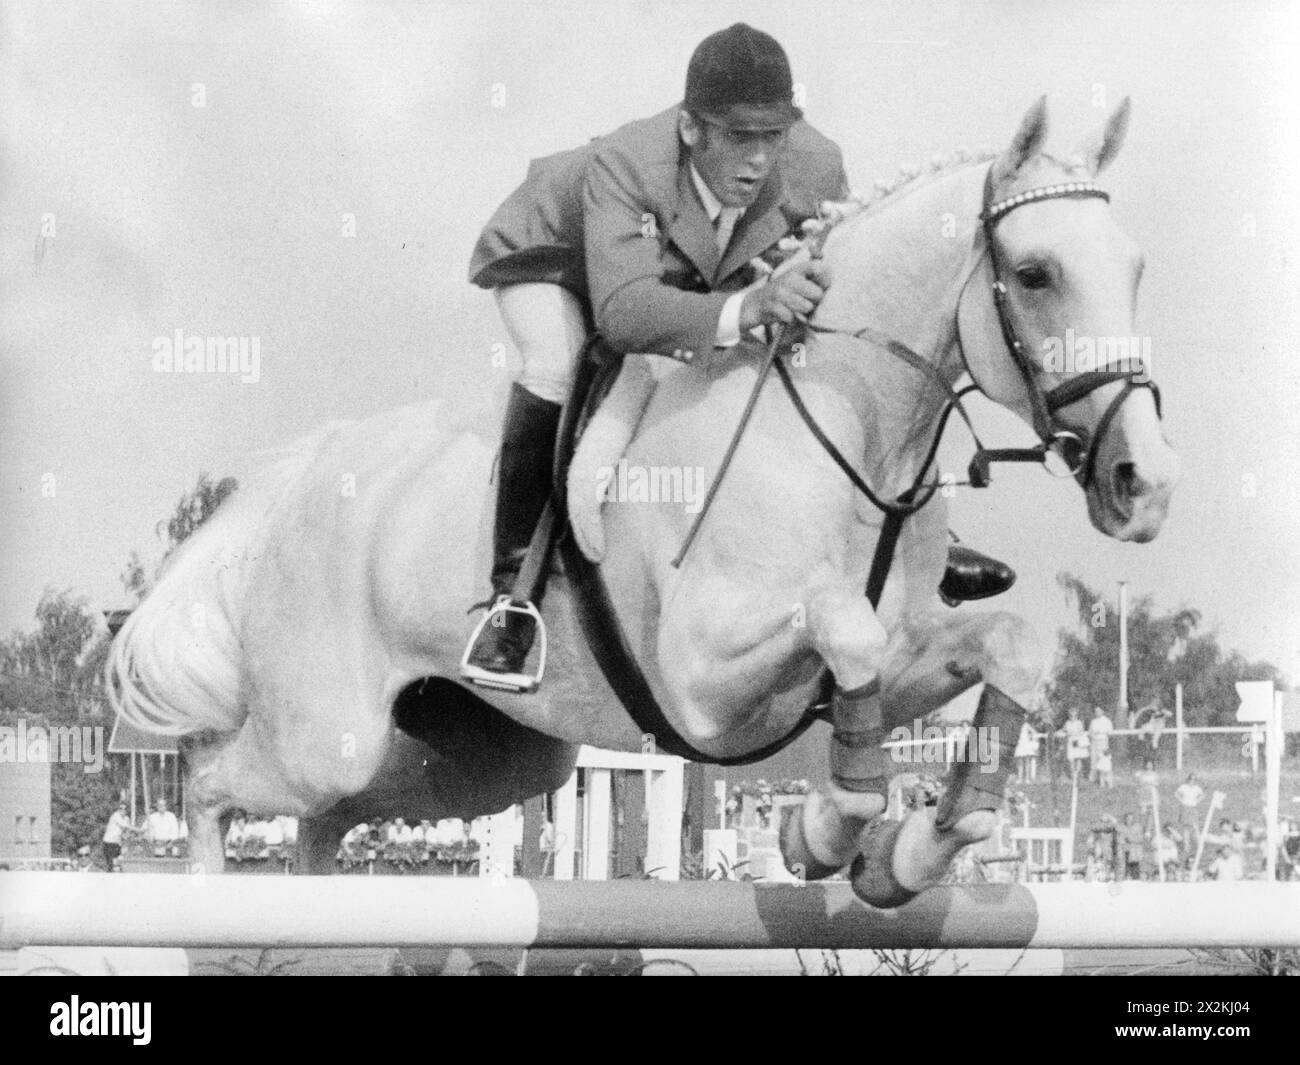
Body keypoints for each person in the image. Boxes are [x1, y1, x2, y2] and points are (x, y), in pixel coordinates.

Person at [460, 22, 1014, 686]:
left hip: (687, 270)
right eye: (740, 138)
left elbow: (831, 288)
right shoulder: (626, 166)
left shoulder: (815, 165)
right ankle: (512, 599)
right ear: (693, 129)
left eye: (772, 136)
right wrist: (748, 307)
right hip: (557, 258)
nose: (759, 161)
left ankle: (921, 543)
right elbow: (626, 311)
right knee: (555, 365)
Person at [101, 800, 132, 872]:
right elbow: (127, 827)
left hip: (117, 844)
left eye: (125, 809)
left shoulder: (127, 818)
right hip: (109, 843)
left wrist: (126, 836)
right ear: (118, 809)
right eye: (121, 808)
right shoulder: (116, 816)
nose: (122, 810)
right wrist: (140, 830)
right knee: (111, 865)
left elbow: (126, 832)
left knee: (118, 865)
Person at [1087, 707, 1113, 784]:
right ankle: (1093, 778)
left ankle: (1104, 779)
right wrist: (1093, 734)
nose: (1097, 712)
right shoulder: (1093, 721)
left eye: (1099, 711)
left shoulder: (1107, 721)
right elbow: (1090, 732)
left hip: (1103, 741)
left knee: (1103, 760)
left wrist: (1101, 731)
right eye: (1096, 711)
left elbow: (1110, 731)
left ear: (1102, 711)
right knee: (1093, 759)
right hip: (1094, 741)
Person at [1063, 708, 1088, 779]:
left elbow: (1081, 731)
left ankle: (1077, 773)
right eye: (1071, 715)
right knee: (1071, 759)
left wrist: (1073, 733)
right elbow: (1064, 730)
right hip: (1070, 742)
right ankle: (1072, 774)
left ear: (1076, 716)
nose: (1072, 717)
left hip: (1077, 741)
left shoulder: (1079, 722)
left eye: (1074, 715)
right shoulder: (1067, 722)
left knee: (1078, 758)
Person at [1119, 812, 1145, 880]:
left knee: (1135, 867)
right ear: (1125, 819)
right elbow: (1119, 838)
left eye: (1131, 818)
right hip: (1124, 851)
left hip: (1134, 852)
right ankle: (1125, 879)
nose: (1129, 820)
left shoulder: (1137, 827)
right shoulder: (1121, 827)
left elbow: (1141, 838)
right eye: (1127, 818)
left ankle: (1136, 880)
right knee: (1125, 867)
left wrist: (1131, 839)